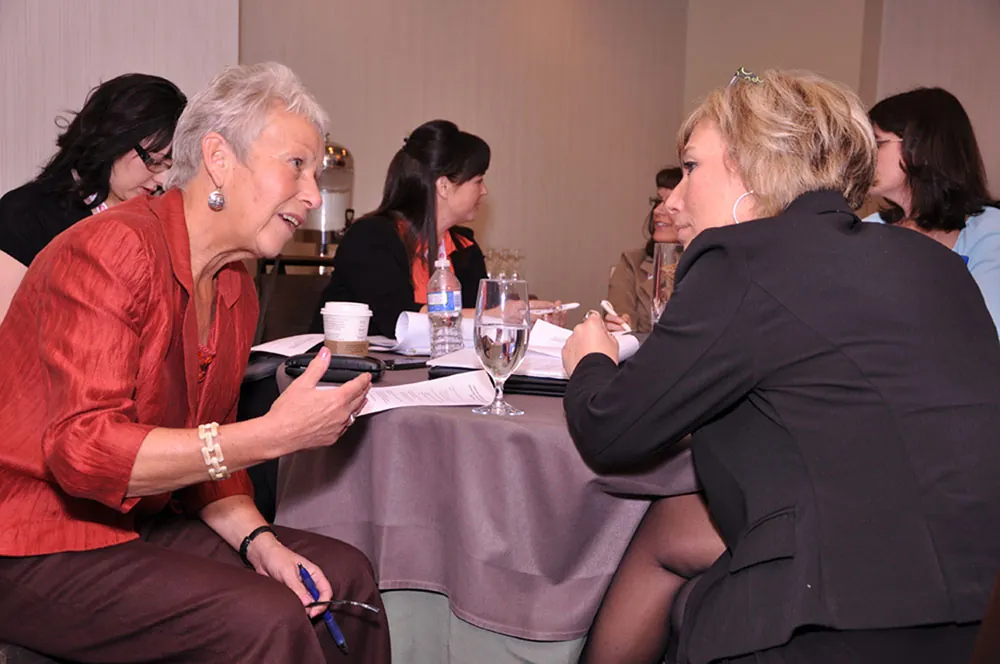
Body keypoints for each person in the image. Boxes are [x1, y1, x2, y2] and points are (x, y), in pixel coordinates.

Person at [562, 68, 1000, 664]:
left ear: (749, 166)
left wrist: (589, 358)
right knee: (673, 529)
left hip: (836, 624)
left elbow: (611, 431)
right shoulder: (935, 262)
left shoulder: (744, 258)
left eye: (691, 168)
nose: (672, 199)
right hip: (977, 612)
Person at [0, 63, 390, 663]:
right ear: (219, 157)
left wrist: (260, 541)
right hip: (33, 539)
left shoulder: (235, 287)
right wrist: (269, 436)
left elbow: (208, 454)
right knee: (265, 619)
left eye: (315, 174)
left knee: (343, 578)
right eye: (296, 165)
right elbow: (83, 452)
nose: (314, 195)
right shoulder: (111, 250)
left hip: (137, 523)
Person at [312, 119, 565, 338]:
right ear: (443, 187)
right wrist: (493, 316)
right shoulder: (371, 238)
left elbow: (481, 323)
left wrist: (524, 317)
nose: (484, 191)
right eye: (478, 181)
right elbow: (399, 320)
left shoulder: (464, 248)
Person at [0, 73, 187, 268]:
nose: (163, 179)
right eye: (154, 160)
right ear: (115, 139)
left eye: (171, 165)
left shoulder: (162, 216)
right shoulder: (27, 213)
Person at [866, 87, 1000, 335]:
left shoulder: (990, 231)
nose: (866, 156)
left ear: (920, 148)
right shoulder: (868, 228)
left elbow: (989, 334)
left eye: (877, 143)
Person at [606, 167, 683, 333]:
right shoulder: (632, 262)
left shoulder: (712, 264)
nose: (657, 211)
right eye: (658, 201)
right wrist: (621, 323)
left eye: (669, 203)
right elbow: (622, 314)